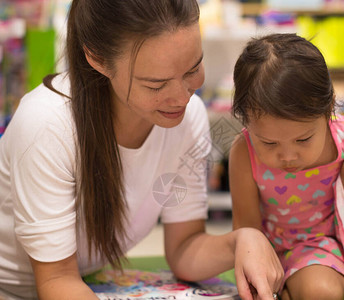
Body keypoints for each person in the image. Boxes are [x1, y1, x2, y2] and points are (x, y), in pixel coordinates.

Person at [0, 1, 283, 299]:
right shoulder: (46, 125)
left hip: (86, 282)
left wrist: (241, 241)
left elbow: (184, 249)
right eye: (156, 85)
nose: (181, 98)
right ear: (97, 60)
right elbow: (57, 281)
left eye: (193, 69)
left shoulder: (189, 120)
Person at [229, 33, 344, 300]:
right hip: (280, 251)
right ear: (246, 122)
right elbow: (247, 233)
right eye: (269, 143)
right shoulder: (243, 152)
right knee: (320, 292)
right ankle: (292, 285)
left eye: (303, 139)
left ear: (328, 109)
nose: (288, 155)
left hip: (340, 240)